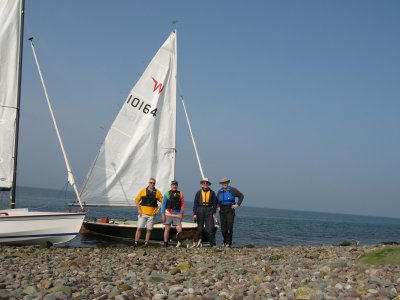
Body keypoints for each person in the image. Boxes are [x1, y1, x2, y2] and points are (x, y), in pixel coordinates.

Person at [134, 178, 163, 247]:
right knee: (139, 228)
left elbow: (163, 201)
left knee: (149, 229)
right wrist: (139, 210)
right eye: (151, 183)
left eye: (153, 183)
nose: (152, 184)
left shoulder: (157, 192)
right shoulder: (143, 191)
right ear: (148, 183)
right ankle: (136, 242)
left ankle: (146, 243)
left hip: (152, 215)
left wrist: (158, 210)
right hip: (143, 213)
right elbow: (136, 200)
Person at [217, 177, 244, 247]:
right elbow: (217, 201)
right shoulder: (219, 191)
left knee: (229, 227)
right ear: (221, 184)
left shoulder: (233, 190)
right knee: (223, 228)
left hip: (230, 209)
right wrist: (218, 207)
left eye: (226, 182)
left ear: (228, 183)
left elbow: (241, 196)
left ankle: (229, 243)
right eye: (223, 183)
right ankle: (224, 241)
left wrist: (237, 204)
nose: (224, 184)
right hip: (222, 210)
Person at [193, 178, 217, 247]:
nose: (205, 184)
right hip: (200, 210)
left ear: (208, 184)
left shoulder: (212, 193)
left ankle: (212, 244)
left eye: (207, 183)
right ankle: (200, 243)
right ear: (202, 184)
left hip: (209, 210)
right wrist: (195, 213)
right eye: (204, 183)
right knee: (199, 228)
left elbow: (215, 203)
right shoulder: (198, 192)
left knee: (210, 228)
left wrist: (214, 212)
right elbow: (195, 203)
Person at [161, 180, 185, 247]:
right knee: (167, 229)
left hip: (177, 214)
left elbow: (182, 205)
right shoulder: (167, 194)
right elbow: (163, 205)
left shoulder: (181, 194)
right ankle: (165, 242)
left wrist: (181, 213)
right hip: (168, 213)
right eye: (173, 185)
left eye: (175, 185)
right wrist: (163, 214)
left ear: (177, 186)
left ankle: (179, 242)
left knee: (179, 229)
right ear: (171, 186)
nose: (174, 186)